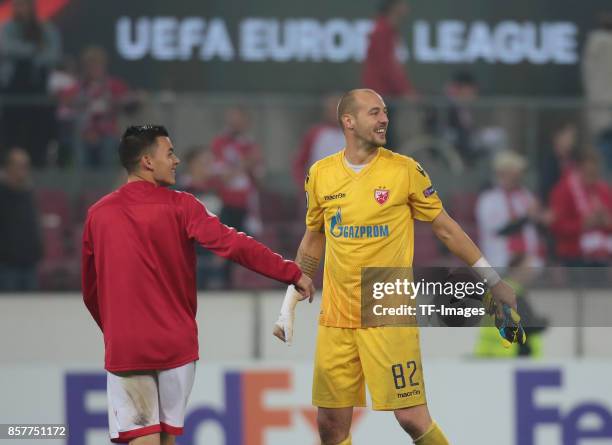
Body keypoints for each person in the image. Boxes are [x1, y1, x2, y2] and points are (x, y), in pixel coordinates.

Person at [273, 89, 518, 445]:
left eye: (385, 112)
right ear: (349, 122)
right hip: (336, 316)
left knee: (411, 418)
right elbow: (314, 237)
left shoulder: (404, 170)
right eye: (374, 113)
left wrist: (494, 281)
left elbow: (447, 230)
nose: (384, 119)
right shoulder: (321, 175)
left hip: (386, 310)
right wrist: (288, 304)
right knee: (329, 425)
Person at [82, 125, 314, 444]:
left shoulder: (98, 215)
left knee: (142, 438)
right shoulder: (182, 206)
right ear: (148, 161)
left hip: (128, 344)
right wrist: (289, 271)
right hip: (176, 344)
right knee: (166, 439)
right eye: (170, 153)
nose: (176, 160)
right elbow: (233, 244)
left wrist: (116, 330)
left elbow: (91, 291)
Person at [0, 0, 62, 167]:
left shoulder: (45, 29)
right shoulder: (7, 28)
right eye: (16, 5)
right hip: (12, 90)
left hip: (38, 90)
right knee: (11, 132)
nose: (19, 9)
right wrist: (34, 50)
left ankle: (37, 165)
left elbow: (53, 55)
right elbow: (6, 48)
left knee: (38, 131)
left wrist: (28, 53)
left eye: (23, 5)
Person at [60, 46, 138, 168]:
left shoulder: (113, 85)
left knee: (108, 146)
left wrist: (117, 102)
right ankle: (81, 184)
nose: (94, 69)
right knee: (79, 146)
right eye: (90, 65)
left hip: (107, 133)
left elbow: (129, 98)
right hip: (83, 133)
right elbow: (64, 102)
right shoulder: (78, 87)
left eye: (97, 65)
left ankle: (105, 185)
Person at [210, 107, 264, 286]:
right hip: (226, 202)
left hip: (247, 204)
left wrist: (249, 166)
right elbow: (220, 175)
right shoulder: (220, 143)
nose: (236, 123)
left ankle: (244, 284)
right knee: (225, 246)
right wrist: (245, 164)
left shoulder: (251, 144)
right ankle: (223, 284)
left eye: (240, 119)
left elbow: (259, 176)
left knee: (246, 247)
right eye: (233, 119)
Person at [475, 150, 546, 268]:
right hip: (499, 257)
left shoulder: (525, 195)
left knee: (536, 264)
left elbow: (535, 221)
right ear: (501, 173)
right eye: (512, 172)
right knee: (532, 265)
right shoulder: (488, 199)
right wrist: (526, 217)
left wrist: (542, 217)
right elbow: (500, 230)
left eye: (518, 173)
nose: (517, 176)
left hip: (528, 252)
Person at [361, 0, 414, 148]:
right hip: (382, 97)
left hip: (386, 97)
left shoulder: (388, 30)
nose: (407, 6)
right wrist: (405, 91)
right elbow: (387, 66)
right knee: (383, 144)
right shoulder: (382, 31)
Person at [549, 150, 612, 266]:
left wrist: (606, 221)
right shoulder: (564, 190)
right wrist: (583, 224)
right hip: (575, 253)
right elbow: (557, 226)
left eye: (595, 172)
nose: (592, 177)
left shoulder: (604, 190)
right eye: (588, 172)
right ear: (578, 170)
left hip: (604, 252)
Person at [0, 147, 43, 291]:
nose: (23, 170)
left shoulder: (29, 193)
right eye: (19, 166)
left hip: (30, 264)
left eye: (26, 166)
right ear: (8, 167)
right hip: (7, 266)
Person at [292, 94, 345, 188]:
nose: (335, 113)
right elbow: (299, 162)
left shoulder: (355, 134)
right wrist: (304, 184)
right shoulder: (315, 133)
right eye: (331, 109)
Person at [582, 12, 612, 170]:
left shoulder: (592, 46)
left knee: (602, 160)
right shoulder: (605, 46)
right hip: (605, 110)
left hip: (599, 114)